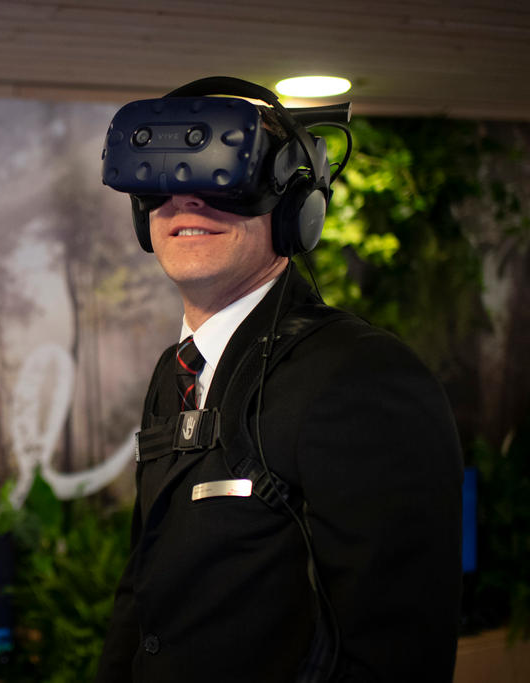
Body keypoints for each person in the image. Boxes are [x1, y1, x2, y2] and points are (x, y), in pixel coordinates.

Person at [94, 77, 463, 682]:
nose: (186, 202)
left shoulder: (362, 376)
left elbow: (396, 651)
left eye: (226, 178)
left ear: (295, 209)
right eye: (162, 180)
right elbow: (143, 590)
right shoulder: (175, 372)